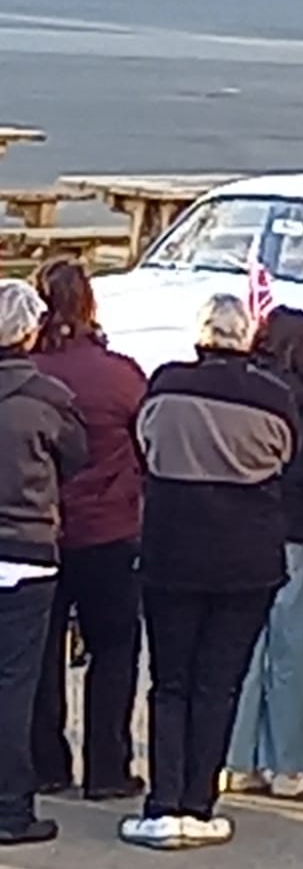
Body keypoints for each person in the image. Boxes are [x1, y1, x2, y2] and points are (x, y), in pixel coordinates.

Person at [122, 295, 296, 850]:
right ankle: (200, 805)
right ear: (247, 337)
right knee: (219, 684)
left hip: (171, 552)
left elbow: (145, 448)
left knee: (169, 682)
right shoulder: (274, 396)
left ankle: (163, 805)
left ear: (201, 334)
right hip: (247, 558)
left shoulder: (166, 384)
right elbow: (286, 459)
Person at [27, 259, 146, 803]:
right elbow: (144, 441)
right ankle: (107, 766)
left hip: (40, 528)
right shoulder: (120, 374)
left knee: (38, 653)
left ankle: (45, 762)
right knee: (114, 650)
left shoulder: (25, 375)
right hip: (108, 528)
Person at [223, 307, 303, 801]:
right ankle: (289, 766)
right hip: (299, 529)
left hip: (243, 528)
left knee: (242, 648)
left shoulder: (245, 389)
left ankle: (236, 760)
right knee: (294, 650)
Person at [0, 281, 87, 846]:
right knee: (14, 685)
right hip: (26, 550)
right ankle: (11, 809)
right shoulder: (48, 397)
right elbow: (76, 458)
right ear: (30, 332)